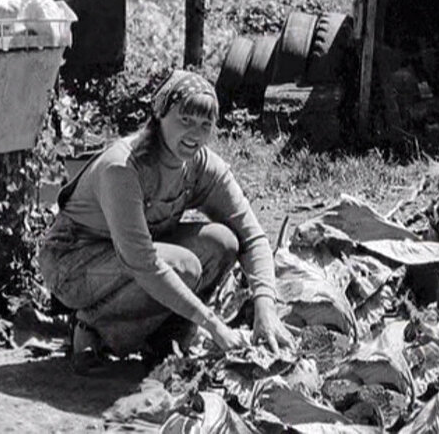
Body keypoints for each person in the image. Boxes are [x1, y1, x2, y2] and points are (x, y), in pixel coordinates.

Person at [38, 70, 294, 374]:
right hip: (72, 262)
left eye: (205, 124)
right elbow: (143, 262)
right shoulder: (123, 168)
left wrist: (266, 306)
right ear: (160, 115)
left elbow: (252, 237)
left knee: (221, 242)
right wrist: (212, 325)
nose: (195, 134)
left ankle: (161, 341)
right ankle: (91, 327)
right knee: (182, 266)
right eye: (185, 120)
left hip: (128, 259)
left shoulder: (201, 166)